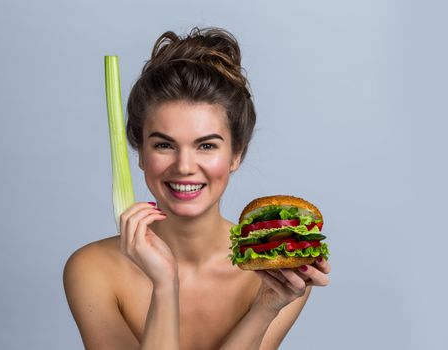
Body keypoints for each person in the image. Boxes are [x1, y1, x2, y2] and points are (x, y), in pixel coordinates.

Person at [63, 27, 331, 350]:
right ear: (141, 155)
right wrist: (164, 286)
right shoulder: (92, 270)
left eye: (206, 146)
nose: (184, 166)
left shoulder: (276, 276)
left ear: (236, 154)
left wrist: (265, 309)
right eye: (164, 145)